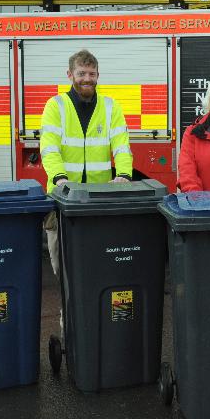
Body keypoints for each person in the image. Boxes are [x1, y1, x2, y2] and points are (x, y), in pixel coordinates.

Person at [40, 49, 133, 276]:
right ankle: (68, 311)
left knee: (97, 260)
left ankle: (92, 308)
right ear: (70, 74)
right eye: (81, 73)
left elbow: (121, 146)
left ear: (98, 75)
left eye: (92, 74)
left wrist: (124, 175)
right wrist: (59, 178)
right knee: (62, 262)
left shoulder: (111, 107)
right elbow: (49, 148)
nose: (87, 79)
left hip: (97, 198)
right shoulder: (56, 106)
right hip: (61, 197)